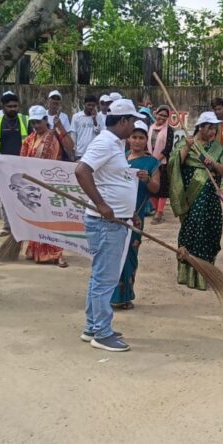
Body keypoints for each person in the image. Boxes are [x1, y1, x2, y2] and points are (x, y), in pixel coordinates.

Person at [75, 99, 141, 353]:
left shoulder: (115, 145)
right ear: (123, 121)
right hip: (105, 222)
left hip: (117, 220)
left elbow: (117, 179)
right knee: (106, 279)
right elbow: (82, 171)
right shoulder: (104, 142)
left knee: (100, 276)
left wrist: (131, 211)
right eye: (132, 121)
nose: (134, 126)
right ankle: (102, 332)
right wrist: (101, 204)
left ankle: (92, 326)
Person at [169, 112, 223, 291]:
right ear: (200, 127)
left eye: (214, 127)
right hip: (192, 199)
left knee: (211, 231)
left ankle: (205, 273)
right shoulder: (186, 143)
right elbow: (174, 164)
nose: (212, 131)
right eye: (209, 127)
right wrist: (186, 148)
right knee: (193, 231)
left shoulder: (217, 147)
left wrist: (213, 165)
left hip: (211, 199)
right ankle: (187, 274)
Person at [111, 120, 161, 310]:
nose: (137, 141)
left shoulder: (151, 162)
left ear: (146, 141)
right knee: (114, 253)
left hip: (136, 215)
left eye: (141, 138)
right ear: (129, 139)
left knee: (130, 254)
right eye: (134, 137)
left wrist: (147, 179)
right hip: (117, 212)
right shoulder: (120, 159)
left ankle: (124, 296)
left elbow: (156, 189)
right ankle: (110, 294)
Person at [21, 106, 71, 266]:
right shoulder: (29, 140)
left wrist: (61, 128)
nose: (36, 125)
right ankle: (37, 251)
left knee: (53, 218)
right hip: (34, 184)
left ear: (45, 120)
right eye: (33, 122)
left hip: (52, 183)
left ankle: (57, 252)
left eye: (39, 121)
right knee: (37, 217)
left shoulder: (55, 136)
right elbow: (21, 159)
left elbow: (70, 146)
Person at [0, 92, 29, 239]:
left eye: (15, 106)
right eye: (9, 106)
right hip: (2, 166)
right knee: (5, 197)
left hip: (21, 165)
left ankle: (24, 226)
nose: (13, 109)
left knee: (23, 196)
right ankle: (7, 226)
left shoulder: (25, 120)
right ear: (3, 107)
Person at [148, 106, 173, 225]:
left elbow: (168, 148)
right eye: (160, 115)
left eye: (165, 116)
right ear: (155, 114)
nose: (162, 118)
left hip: (162, 163)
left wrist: (156, 160)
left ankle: (160, 212)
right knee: (150, 187)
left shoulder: (169, 130)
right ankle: (156, 208)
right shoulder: (150, 128)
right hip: (149, 161)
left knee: (162, 188)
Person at [70, 95, 102, 161]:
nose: (91, 107)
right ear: (84, 104)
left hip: (93, 153)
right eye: (88, 105)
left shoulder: (99, 117)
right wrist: (73, 152)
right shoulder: (76, 116)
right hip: (79, 153)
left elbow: (99, 134)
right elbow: (73, 135)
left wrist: (94, 119)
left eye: (93, 105)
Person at [46, 90, 73, 160]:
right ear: (48, 101)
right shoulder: (43, 114)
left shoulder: (64, 117)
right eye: (53, 99)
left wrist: (59, 126)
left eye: (57, 100)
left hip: (59, 152)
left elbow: (68, 138)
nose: (55, 101)